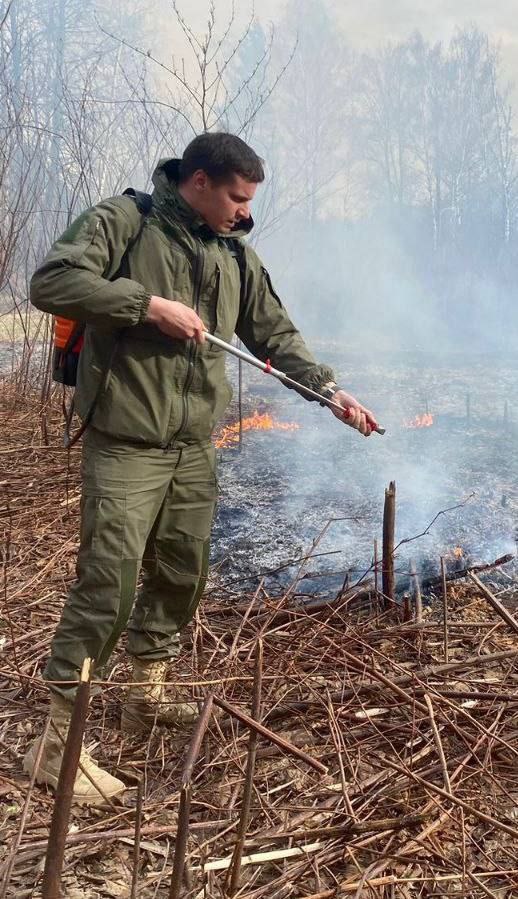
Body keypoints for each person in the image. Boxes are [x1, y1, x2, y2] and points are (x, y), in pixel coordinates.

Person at [25, 132, 379, 804]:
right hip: (126, 440)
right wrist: (147, 305)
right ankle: (56, 742)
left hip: (192, 446)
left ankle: (143, 694)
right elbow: (51, 282)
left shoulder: (231, 253)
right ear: (199, 182)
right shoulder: (123, 222)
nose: (244, 213)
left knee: (183, 571)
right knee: (108, 584)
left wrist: (328, 391)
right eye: (236, 199)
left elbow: (273, 333)